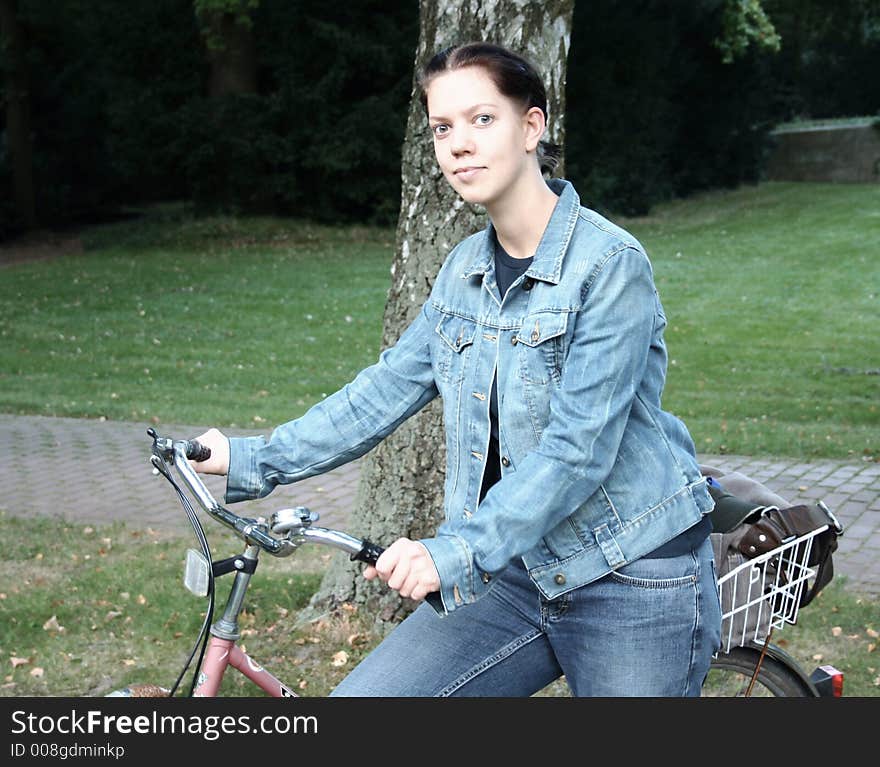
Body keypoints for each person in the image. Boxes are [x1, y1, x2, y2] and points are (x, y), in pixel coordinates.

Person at [192, 41, 722, 696]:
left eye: (482, 120)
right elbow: (384, 390)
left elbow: (578, 452)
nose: (459, 144)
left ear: (533, 126)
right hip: (517, 567)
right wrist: (250, 458)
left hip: (631, 574)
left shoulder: (609, 266)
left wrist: (454, 551)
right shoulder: (464, 270)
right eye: (443, 127)